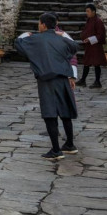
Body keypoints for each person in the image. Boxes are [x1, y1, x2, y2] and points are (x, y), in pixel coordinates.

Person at [14, 12, 80, 160]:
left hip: (47, 80)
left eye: (39, 23)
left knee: (50, 114)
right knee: (65, 113)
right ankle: (70, 144)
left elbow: (18, 44)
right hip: (63, 79)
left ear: (43, 24)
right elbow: (75, 47)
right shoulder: (60, 39)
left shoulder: (36, 39)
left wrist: (25, 34)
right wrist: (63, 35)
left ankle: (56, 150)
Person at [78, 3, 107, 88]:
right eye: (86, 11)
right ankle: (83, 80)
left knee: (96, 63)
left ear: (93, 12)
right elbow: (87, 30)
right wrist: (83, 36)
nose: (87, 13)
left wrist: (90, 39)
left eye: (88, 11)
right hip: (89, 46)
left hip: (96, 46)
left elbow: (101, 35)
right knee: (86, 63)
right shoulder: (89, 20)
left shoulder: (98, 21)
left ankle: (97, 82)